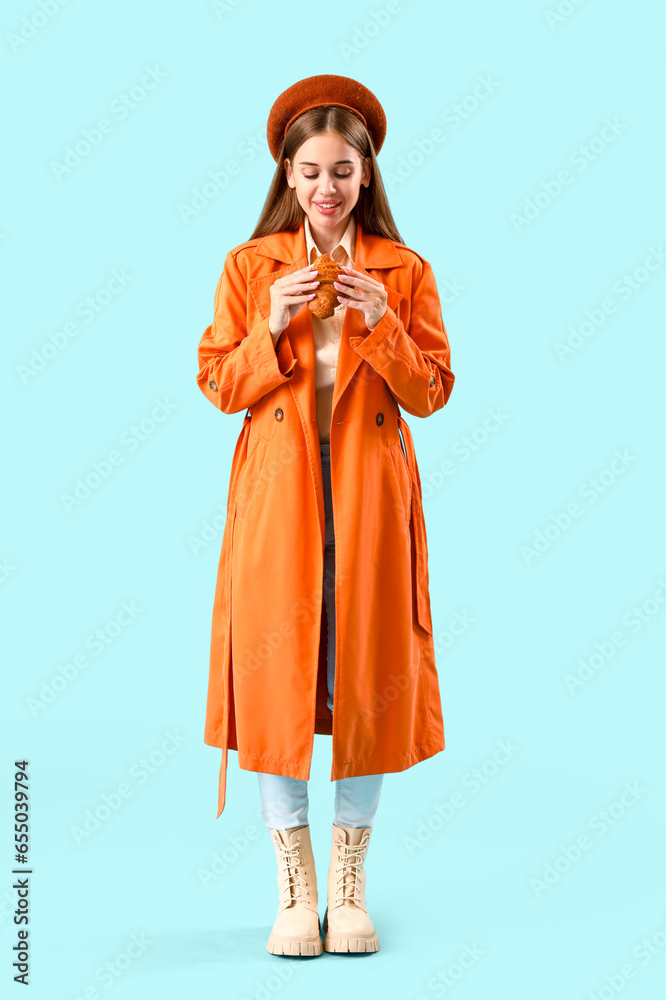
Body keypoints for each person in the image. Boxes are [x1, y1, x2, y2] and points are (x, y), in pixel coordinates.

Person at [196, 74, 455, 956]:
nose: (326, 188)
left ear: (367, 176)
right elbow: (216, 383)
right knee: (275, 686)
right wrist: (267, 325)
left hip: (371, 497)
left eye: (343, 170)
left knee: (369, 678)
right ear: (287, 174)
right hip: (277, 496)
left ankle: (348, 888)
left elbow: (432, 395)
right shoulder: (249, 266)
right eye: (309, 171)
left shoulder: (404, 270)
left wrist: (384, 324)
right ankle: (291, 889)